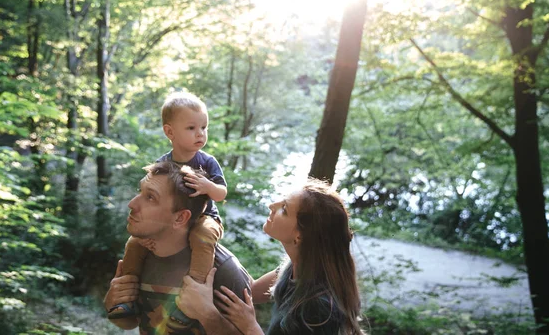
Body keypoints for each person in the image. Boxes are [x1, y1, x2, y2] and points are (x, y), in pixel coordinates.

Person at [177, 179, 365, 335]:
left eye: (284, 208)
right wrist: (203, 237)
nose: (271, 206)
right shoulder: (294, 268)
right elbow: (248, 291)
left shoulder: (319, 309)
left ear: (300, 236)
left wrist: (247, 326)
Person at [108, 91, 228, 331]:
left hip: (205, 218)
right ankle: (126, 297)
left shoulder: (207, 162)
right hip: (171, 223)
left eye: (204, 127)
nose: (200, 134)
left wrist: (209, 186)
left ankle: (191, 299)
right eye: (192, 128)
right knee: (134, 242)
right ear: (170, 132)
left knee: (202, 238)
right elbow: (153, 197)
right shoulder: (164, 163)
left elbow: (222, 194)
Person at [104, 161, 250, 335]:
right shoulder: (140, 254)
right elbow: (130, 323)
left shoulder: (224, 270)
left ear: (180, 218)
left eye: (150, 197)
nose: (132, 204)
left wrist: (208, 315)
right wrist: (112, 302)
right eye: (140, 191)